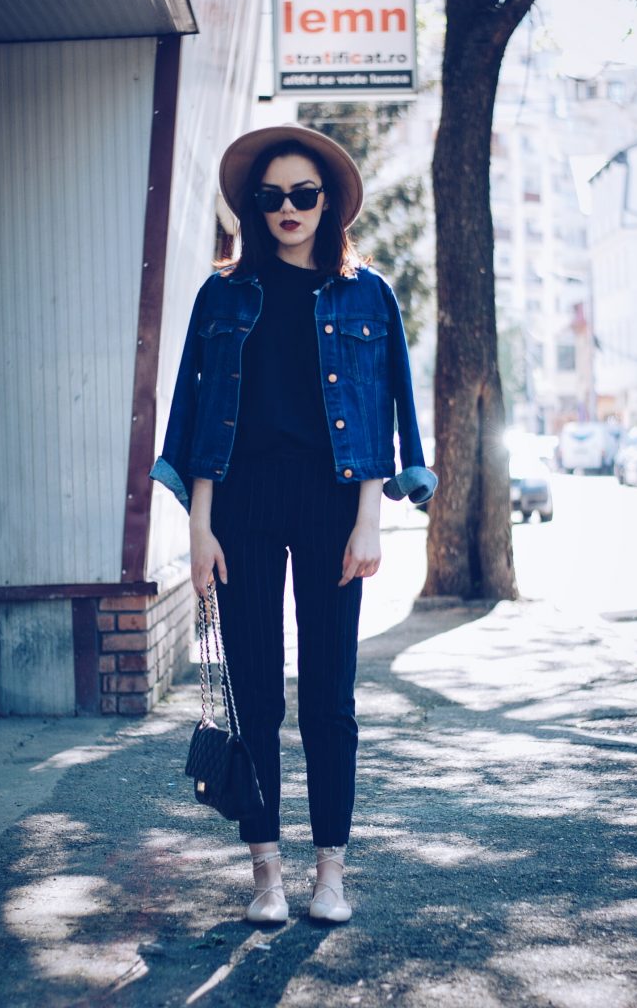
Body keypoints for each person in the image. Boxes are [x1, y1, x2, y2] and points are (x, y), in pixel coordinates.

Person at [151, 123, 436, 925]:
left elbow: (388, 407)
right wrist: (199, 527)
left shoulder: (365, 293)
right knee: (254, 694)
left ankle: (330, 873)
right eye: (271, 196)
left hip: (331, 500)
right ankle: (266, 875)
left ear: (329, 203)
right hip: (239, 503)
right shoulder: (224, 293)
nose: (287, 209)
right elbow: (199, 416)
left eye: (303, 194)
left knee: (329, 698)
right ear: (254, 204)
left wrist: (370, 520)